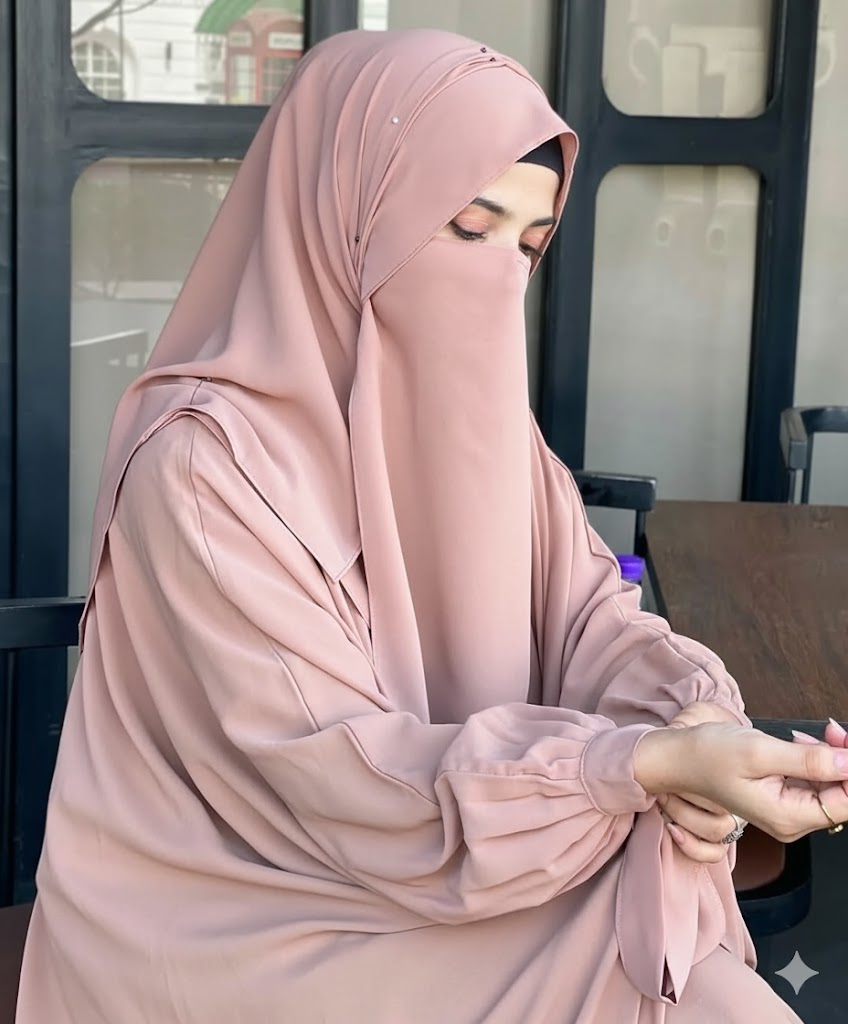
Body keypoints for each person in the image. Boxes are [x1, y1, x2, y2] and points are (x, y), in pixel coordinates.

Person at [16, 29, 847, 1024]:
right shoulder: (203, 465)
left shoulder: (480, 425)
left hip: (457, 864)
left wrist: (690, 717)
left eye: (525, 246)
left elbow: (590, 617)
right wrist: (635, 768)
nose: (496, 278)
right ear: (348, 211)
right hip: (248, 912)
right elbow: (336, 775)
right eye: (466, 226)